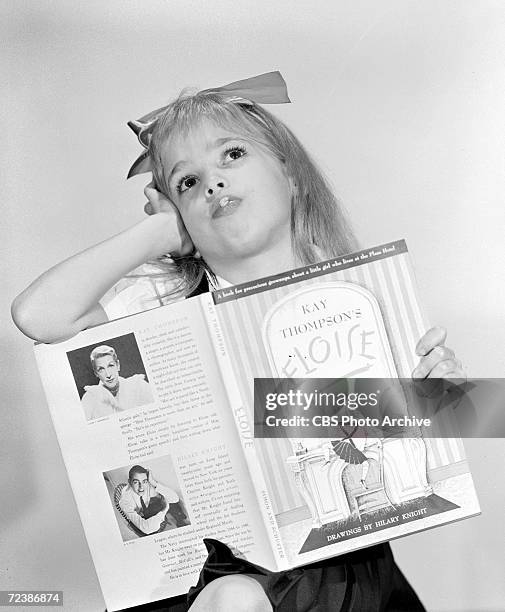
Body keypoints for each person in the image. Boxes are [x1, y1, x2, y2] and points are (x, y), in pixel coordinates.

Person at [12, 72, 465, 611]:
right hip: (212, 573)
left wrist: (437, 398)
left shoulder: (354, 295)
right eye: (186, 182)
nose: (213, 184)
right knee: (234, 600)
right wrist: (159, 235)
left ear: (290, 174)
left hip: (346, 570)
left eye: (231, 155)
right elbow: (38, 316)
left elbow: (412, 449)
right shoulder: (164, 290)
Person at [81, 345, 154, 420]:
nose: (108, 375)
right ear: (96, 373)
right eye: (101, 369)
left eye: (111, 365)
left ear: (118, 365)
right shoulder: (90, 398)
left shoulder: (139, 386)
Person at [118, 465, 180, 536]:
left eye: (144, 481)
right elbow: (146, 529)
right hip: (133, 520)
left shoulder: (147, 485)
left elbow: (175, 498)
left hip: (144, 511)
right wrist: (165, 509)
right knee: (151, 531)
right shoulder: (125, 501)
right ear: (129, 482)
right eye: (136, 482)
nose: (141, 487)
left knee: (160, 503)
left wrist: (153, 482)